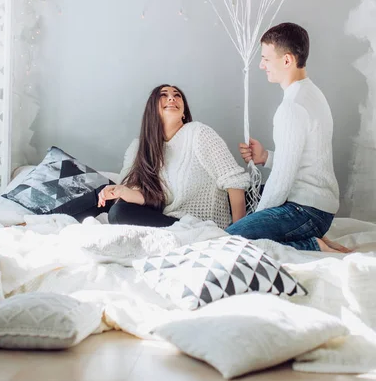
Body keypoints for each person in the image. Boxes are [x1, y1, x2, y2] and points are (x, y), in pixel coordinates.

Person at [226, 22, 349, 253]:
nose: (262, 65)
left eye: (266, 58)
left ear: (286, 60)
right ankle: (315, 238)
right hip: (319, 208)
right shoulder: (311, 93)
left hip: (306, 211)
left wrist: (256, 220)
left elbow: (282, 181)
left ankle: (313, 244)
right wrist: (266, 157)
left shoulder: (291, 107)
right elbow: (306, 158)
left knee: (230, 241)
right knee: (246, 205)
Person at [97, 84, 250, 229]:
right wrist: (122, 191)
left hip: (203, 225)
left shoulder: (198, 133)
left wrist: (239, 232)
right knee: (116, 207)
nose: (172, 98)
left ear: (183, 112)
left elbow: (234, 181)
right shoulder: (147, 149)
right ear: (152, 110)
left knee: (119, 213)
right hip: (172, 223)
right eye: (164, 95)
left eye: (177, 96)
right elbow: (152, 199)